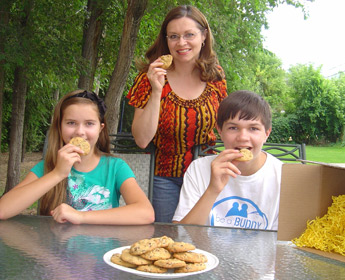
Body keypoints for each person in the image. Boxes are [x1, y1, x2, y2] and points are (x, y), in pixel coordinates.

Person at [126, 5, 227, 222]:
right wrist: (156, 90)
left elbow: (226, 126)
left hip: (205, 175)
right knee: (166, 240)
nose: (181, 43)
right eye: (174, 36)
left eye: (189, 34)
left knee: (200, 240)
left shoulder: (215, 76)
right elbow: (142, 140)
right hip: (164, 178)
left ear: (203, 36)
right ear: (166, 40)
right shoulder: (148, 78)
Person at [0, 90, 155, 225]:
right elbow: (3, 210)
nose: (80, 132)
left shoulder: (115, 167)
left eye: (89, 124)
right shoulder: (48, 166)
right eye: (71, 123)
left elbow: (146, 213)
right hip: (55, 254)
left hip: (100, 254)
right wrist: (58, 173)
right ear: (60, 127)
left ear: (101, 128)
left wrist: (81, 216)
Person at [173, 90, 283, 230]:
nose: (243, 137)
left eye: (253, 128)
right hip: (206, 251)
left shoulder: (282, 176)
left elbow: (287, 242)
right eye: (233, 128)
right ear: (220, 131)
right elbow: (182, 235)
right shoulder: (199, 169)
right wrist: (213, 189)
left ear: (266, 134)